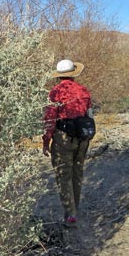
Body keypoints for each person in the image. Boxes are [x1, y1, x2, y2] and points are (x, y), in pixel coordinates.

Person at [42, 59, 93, 228]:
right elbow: (90, 115)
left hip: (63, 137)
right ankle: (74, 209)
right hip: (83, 136)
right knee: (77, 172)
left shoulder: (55, 93)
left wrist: (46, 140)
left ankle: (70, 214)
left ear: (59, 76)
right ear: (73, 74)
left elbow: (50, 119)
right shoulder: (84, 90)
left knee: (64, 175)